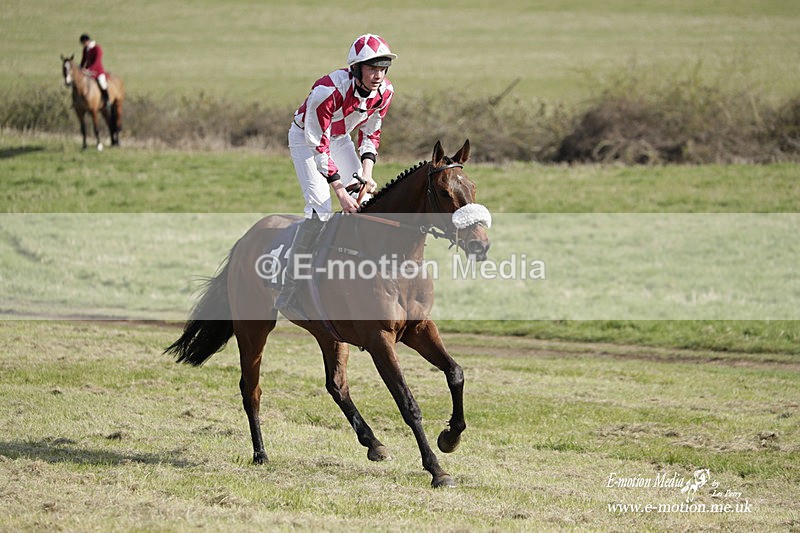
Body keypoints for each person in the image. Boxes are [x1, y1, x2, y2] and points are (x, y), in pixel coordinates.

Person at [275, 33, 397, 315]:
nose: (378, 75)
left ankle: (358, 281)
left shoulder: (385, 92)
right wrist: (340, 190)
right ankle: (289, 288)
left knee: (365, 202)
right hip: (308, 139)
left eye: (382, 68)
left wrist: (365, 174)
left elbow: (371, 134)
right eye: (371, 68)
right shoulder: (326, 90)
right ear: (356, 68)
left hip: (339, 139)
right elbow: (319, 145)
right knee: (321, 207)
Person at [79, 33, 110, 109]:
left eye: (84, 43)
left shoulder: (97, 48)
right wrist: (80, 68)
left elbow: (97, 61)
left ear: (87, 41)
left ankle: (107, 100)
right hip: (88, 72)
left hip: (98, 71)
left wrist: (89, 69)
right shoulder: (85, 49)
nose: (83, 44)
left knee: (102, 83)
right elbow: (83, 60)